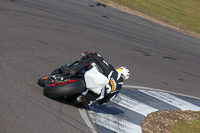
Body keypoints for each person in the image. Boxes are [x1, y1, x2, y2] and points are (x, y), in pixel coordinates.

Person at [60, 52, 130, 108]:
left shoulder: (112, 71)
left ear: (119, 69)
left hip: (94, 82)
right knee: (85, 103)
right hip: (95, 95)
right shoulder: (118, 89)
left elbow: (100, 61)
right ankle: (82, 100)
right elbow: (104, 101)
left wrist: (91, 55)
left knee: (92, 56)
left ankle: (74, 68)